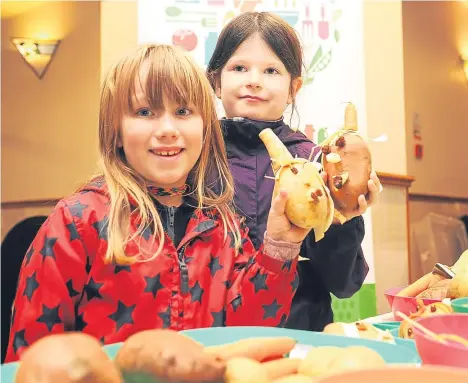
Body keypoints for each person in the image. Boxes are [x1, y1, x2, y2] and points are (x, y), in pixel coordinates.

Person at [5, 44, 309, 363]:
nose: (167, 130)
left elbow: (250, 338)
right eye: (145, 112)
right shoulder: (77, 223)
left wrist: (279, 247)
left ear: (205, 129)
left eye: (183, 112)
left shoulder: (225, 226)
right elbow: (29, 360)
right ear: (117, 131)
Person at [207, 12, 382, 331]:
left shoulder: (317, 162)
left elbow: (344, 285)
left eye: (271, 70)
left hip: (300, 333)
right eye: (239, 68)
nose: (254, 80)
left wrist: (345, 217)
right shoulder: (196, 157)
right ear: (216, 81)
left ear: (293, 88)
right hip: (214, 335)